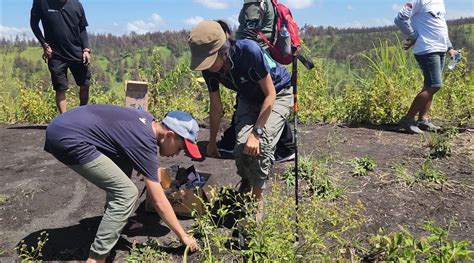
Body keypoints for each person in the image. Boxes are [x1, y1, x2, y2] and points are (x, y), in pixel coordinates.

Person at [44, 104, 199, 262]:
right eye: (179, 148)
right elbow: (158, 200)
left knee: (123, 161)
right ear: (169, 135)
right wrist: (183, 235)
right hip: (67, 137)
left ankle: (116, 221)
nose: (177, 154)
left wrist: (140, 163)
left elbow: (122, 138)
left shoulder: (147, 121)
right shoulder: (144, 142)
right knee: (126, 193)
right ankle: (96, 257)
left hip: (64, 124)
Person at [188, 20, 293, 202]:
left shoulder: (248, 52)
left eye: (211, 60)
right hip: (248, 97)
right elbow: (216, 107)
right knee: (240, 147)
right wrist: (212, 142)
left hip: (278, 92)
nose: (208, 66)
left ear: (223, 49)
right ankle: (246, 181)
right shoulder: (209, 70)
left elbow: (270, 95)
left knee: (262, 145)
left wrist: (257, 132)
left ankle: (256, 203)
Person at [217, 0, 296, 163]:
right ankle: (286, 146)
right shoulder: (266, 2)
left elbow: (249, 31)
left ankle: (285, 146)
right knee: (261, 94)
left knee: (259, 93)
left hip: (254, 55)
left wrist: (235, 50)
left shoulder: (254, 1)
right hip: (262, 53)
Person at [394, 0, 457, 134]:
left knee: (429, 85)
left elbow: (440, 25)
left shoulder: (439, 2)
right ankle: (408, 119)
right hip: (427, 49)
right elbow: (400, 19)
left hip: (440, 49)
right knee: (435, 85)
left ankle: (423, 120)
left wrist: (449, 47)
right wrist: (413, 36)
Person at [30, 0, 92, 114]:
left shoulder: (77, 5)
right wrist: (44, 44)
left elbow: (82, 29)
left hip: (76, 52)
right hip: (55, 54)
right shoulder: (42, 2)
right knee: (60, 88)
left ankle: (82, 115)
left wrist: (86, 50)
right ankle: (65, 120)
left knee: (85, 84)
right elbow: (34, 23)